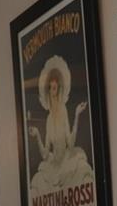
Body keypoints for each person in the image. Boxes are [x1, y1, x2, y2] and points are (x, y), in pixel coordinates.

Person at [28, 55, 94, 193]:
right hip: (53, 166)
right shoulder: (48, 119)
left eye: (56, 89)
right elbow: (46, 154)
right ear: (48, 93)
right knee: (37, 182)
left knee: (83, 174)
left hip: (66, 162)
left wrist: (76, 115)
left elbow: (70, 143)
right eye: (52, 89)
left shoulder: (63, 111)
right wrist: (38, 135)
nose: (54, 94)